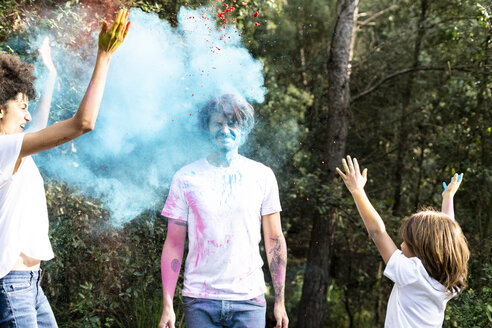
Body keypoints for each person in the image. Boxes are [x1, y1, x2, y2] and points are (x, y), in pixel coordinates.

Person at [0, 9, 130, 327]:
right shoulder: (4, 149)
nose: (28, 117)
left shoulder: (16, 150)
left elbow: (40, 124)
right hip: (11, 284)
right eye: (21, 107)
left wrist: (52, 74)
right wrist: (105, 56)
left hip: (30, 284)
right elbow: (82, 124)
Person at [158, 94, 289, 328]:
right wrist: (168, 304)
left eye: (233, 123)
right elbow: (174, 243)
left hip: (249, 301)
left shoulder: (262, 176)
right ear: (206, 129)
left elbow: (274, 240)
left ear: (244, 129)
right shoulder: (185, 178)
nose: (225, 129)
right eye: (218, 123)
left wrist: (280, 301)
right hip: (200, 300)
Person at [336, 156, 470, 328]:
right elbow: (447, 239)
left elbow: (377, 232)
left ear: (422, 250)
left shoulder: (411, 274)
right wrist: (448, 197)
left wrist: (357, 191)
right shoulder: (449, 282)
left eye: (407, 242)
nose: (401, 245)